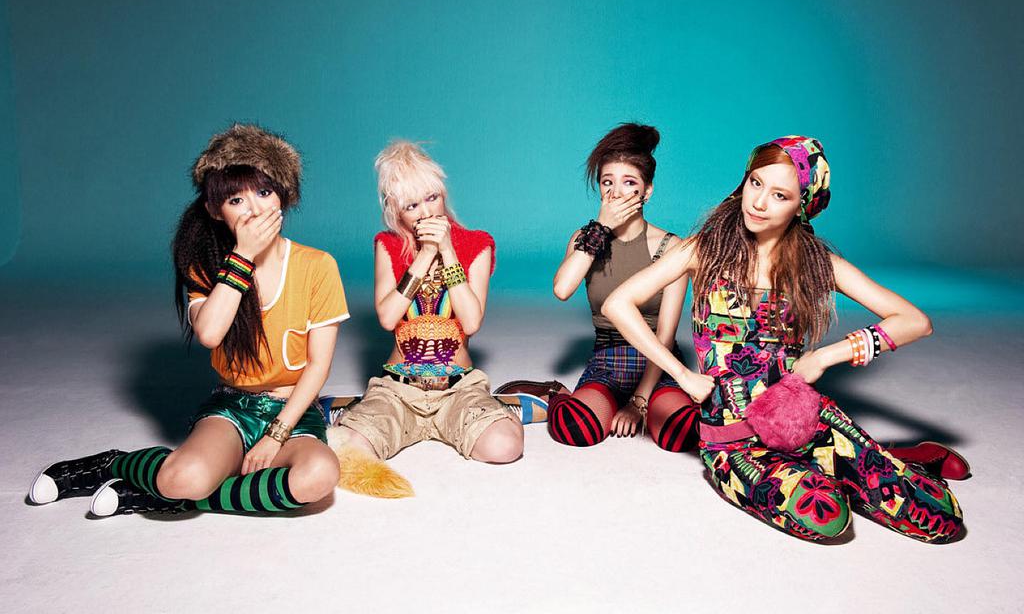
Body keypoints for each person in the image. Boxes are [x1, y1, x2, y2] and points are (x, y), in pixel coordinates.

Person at [602, 136, 964, 542]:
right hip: (734, 444)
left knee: (939, 516)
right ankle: (879, 464)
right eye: (755, 184)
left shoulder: (816, 262)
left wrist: (826, 356)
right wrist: (682, 375)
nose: (759, 203)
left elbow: (915, 321)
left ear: (801, 205)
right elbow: (619, 304)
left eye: (779, 195)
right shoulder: (704, 250)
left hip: (804, 421)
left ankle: (893, 461)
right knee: (827, 515)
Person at [29, 124, 346, 516]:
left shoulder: (317, 266)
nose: (255, 209)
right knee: (181, 478)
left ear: (284, 195)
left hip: (292, 414)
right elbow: (210, 333)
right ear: (215, 210)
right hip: (234, 408)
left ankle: (152, 494)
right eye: (236, 199)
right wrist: (243, 256)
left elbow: (318, 365)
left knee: (319, 476)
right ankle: (115, 464)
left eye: (264, 192)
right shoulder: (206, 265)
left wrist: (276, 436)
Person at [331, 140, 522, 492]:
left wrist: (447, 251)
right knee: (347, 450)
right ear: (396, 212)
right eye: (411, 206)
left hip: (457, 388)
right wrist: (424, 255)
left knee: (505, 446)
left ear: (442, 193)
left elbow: (472, 322)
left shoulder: (477, 243)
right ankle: (359, 412)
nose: (425, 212)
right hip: (398, 390)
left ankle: (503, 409)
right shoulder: (387, 244)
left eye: (431, 197)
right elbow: (388, 318)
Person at [502, 124, 699, 451]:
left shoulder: (671, 247)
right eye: (608, 182)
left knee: (683, 434)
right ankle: (556, 394)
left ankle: (652, 402)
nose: (617, 192)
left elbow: (665, 334)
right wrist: (601, 228)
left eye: (629, 182)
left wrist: (639, 402)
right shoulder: (585, 239)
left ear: (647, 191)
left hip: (658, 362)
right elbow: (562, 289)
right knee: (573, 428)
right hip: (608, 361)